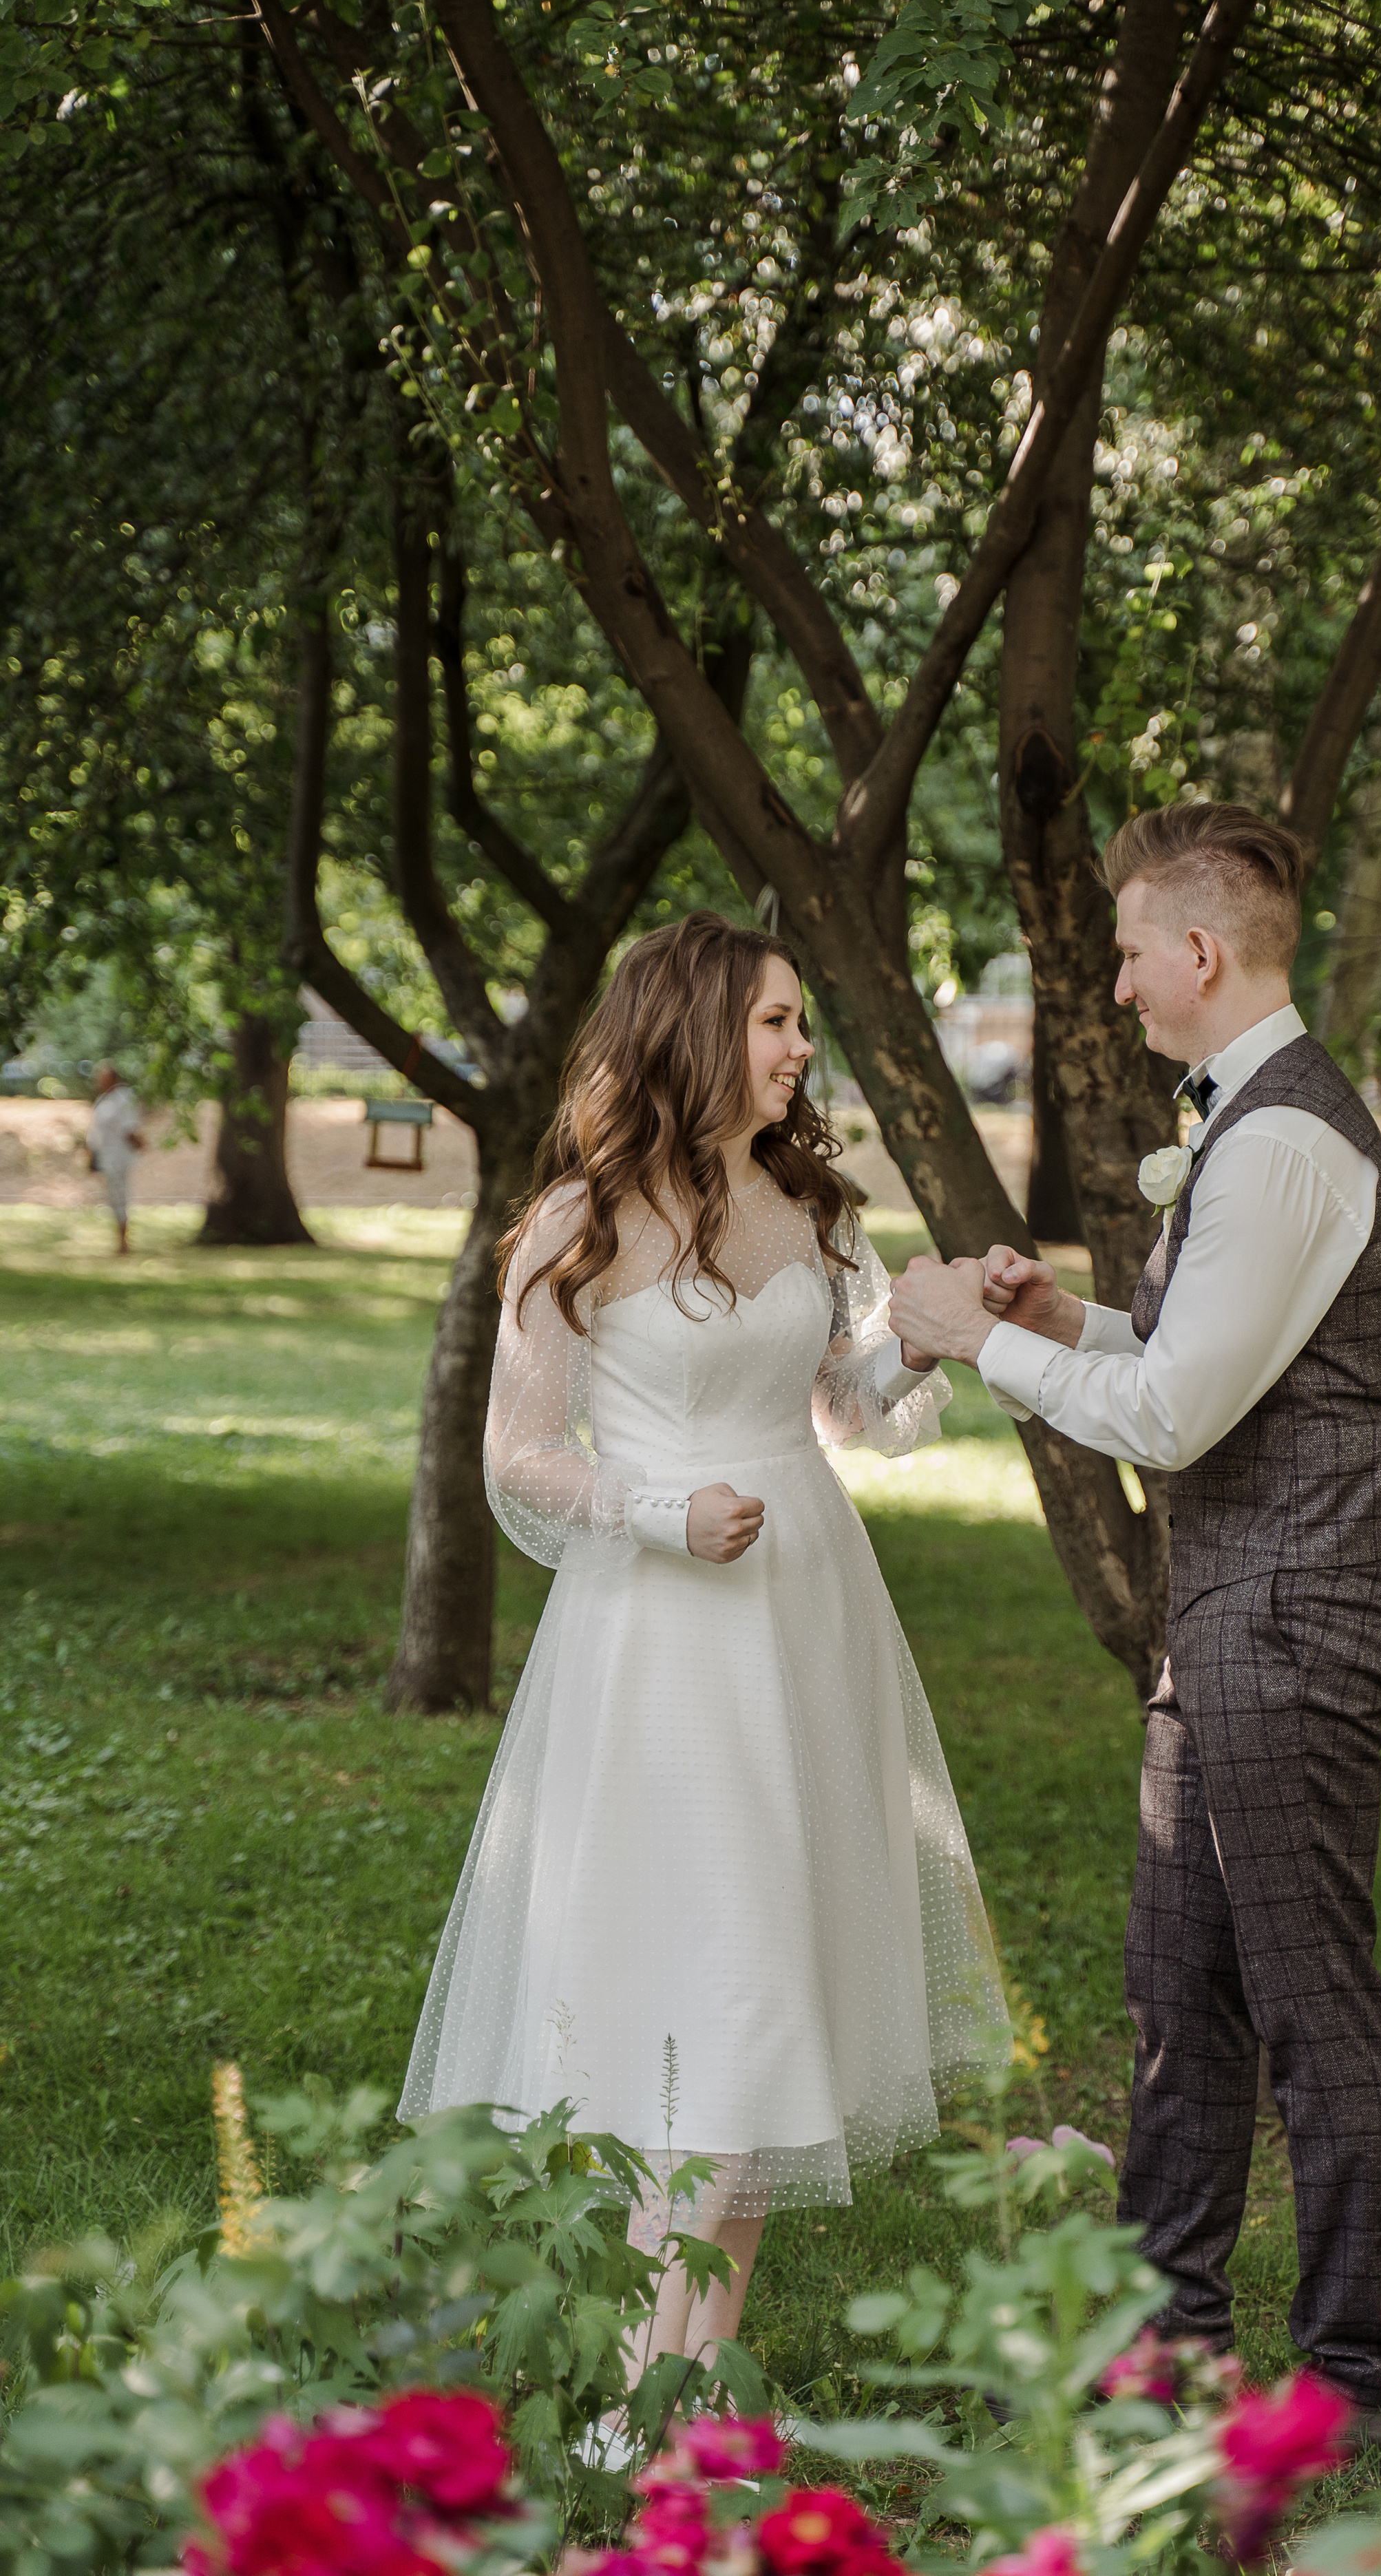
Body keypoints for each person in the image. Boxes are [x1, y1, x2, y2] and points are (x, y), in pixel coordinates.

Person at [401, 910, 1008, 2379]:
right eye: (776, 1021)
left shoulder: (805, 1204)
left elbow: (835, 1408)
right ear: (694, 1029)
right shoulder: (581, 1221)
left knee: (772, 1991)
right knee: (705, 1994)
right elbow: (519, 1457)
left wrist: (923, 1337)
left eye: (800, 1021)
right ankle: (640, 2393)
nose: (802, 1046)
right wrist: (663, 1511)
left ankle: (694, 2394)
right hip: (665, 1640)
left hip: (807, 1612)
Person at [888, 800, 1381, 2429]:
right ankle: (1164, 2337)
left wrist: (973, 1341)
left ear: (1198, 951)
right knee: (1175, 1983)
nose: (1115, 983)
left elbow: (1180, 1418)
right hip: (1237, 1604)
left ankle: (1359, 2368)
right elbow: (1213, 1354)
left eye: (1128, 952)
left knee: (1303, 1987)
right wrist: (1065, 1317)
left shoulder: (1275, 1142)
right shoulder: (1252, 1122)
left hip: (1293, 1604)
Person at [87, 1063, 143, 1256]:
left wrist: (141, 1145)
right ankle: (120, 1240)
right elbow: (96, 1134)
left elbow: (130, 1129)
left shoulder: (124, 1098)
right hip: (106, 1157)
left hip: (119, 1157)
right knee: (112, 1198)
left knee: (120, 1197)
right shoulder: (103, 1100)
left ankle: (124, 1242)